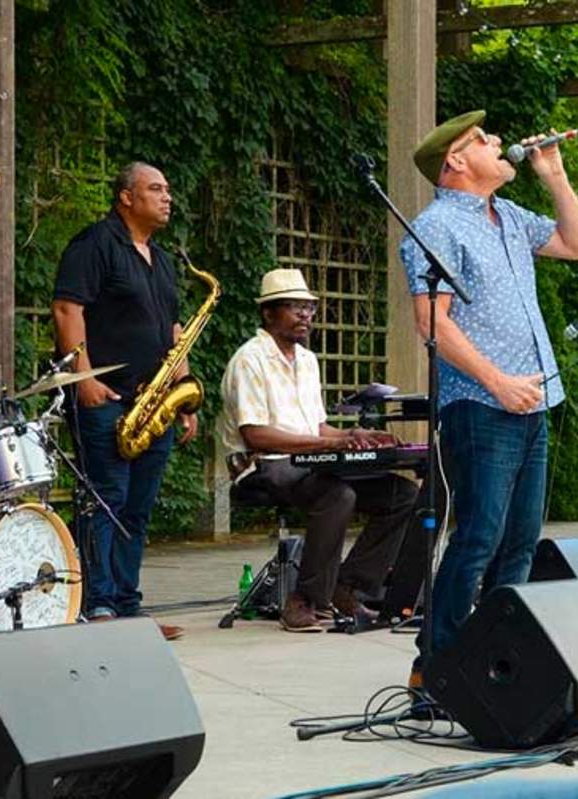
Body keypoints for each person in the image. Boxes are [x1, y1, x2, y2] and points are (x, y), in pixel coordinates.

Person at [399, 110, 578, 676]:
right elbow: (431, 321)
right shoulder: (438, 226)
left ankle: (504, 665)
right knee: (480, 535)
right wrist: (496, 381)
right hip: (483, 405)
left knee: (521, 541)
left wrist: (555, 175)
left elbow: (574, 244)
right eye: (484, 139)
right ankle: (439, 664)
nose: (499, 141)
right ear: (455, 160)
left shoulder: (508, 216)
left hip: (534, 400)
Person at [221, 268, 419, 632]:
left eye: (309, 308)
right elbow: (257, 435)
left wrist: (355, 434)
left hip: (310, 461)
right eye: (295, 308)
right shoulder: (249, 360)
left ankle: (349, 587)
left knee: (403, 494)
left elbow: (316, 427)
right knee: (337, 494)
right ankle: (304, 600)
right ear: (268, 313)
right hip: (264, 465)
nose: (306, 316)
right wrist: (333, 443)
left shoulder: (307, 361)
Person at [51, 161, 197, 639]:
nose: (166, 196)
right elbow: (67, 308)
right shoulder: (95, 244)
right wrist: (83, 376)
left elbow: (174, 333)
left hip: (152, 402)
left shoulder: (163, 260)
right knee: (105, 500)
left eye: (167, 188)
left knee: (137, 506)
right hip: (105, 396)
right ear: (126, 198)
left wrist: (184, 395)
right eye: (155, 188)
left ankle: (128, 604)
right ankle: (97, 605)